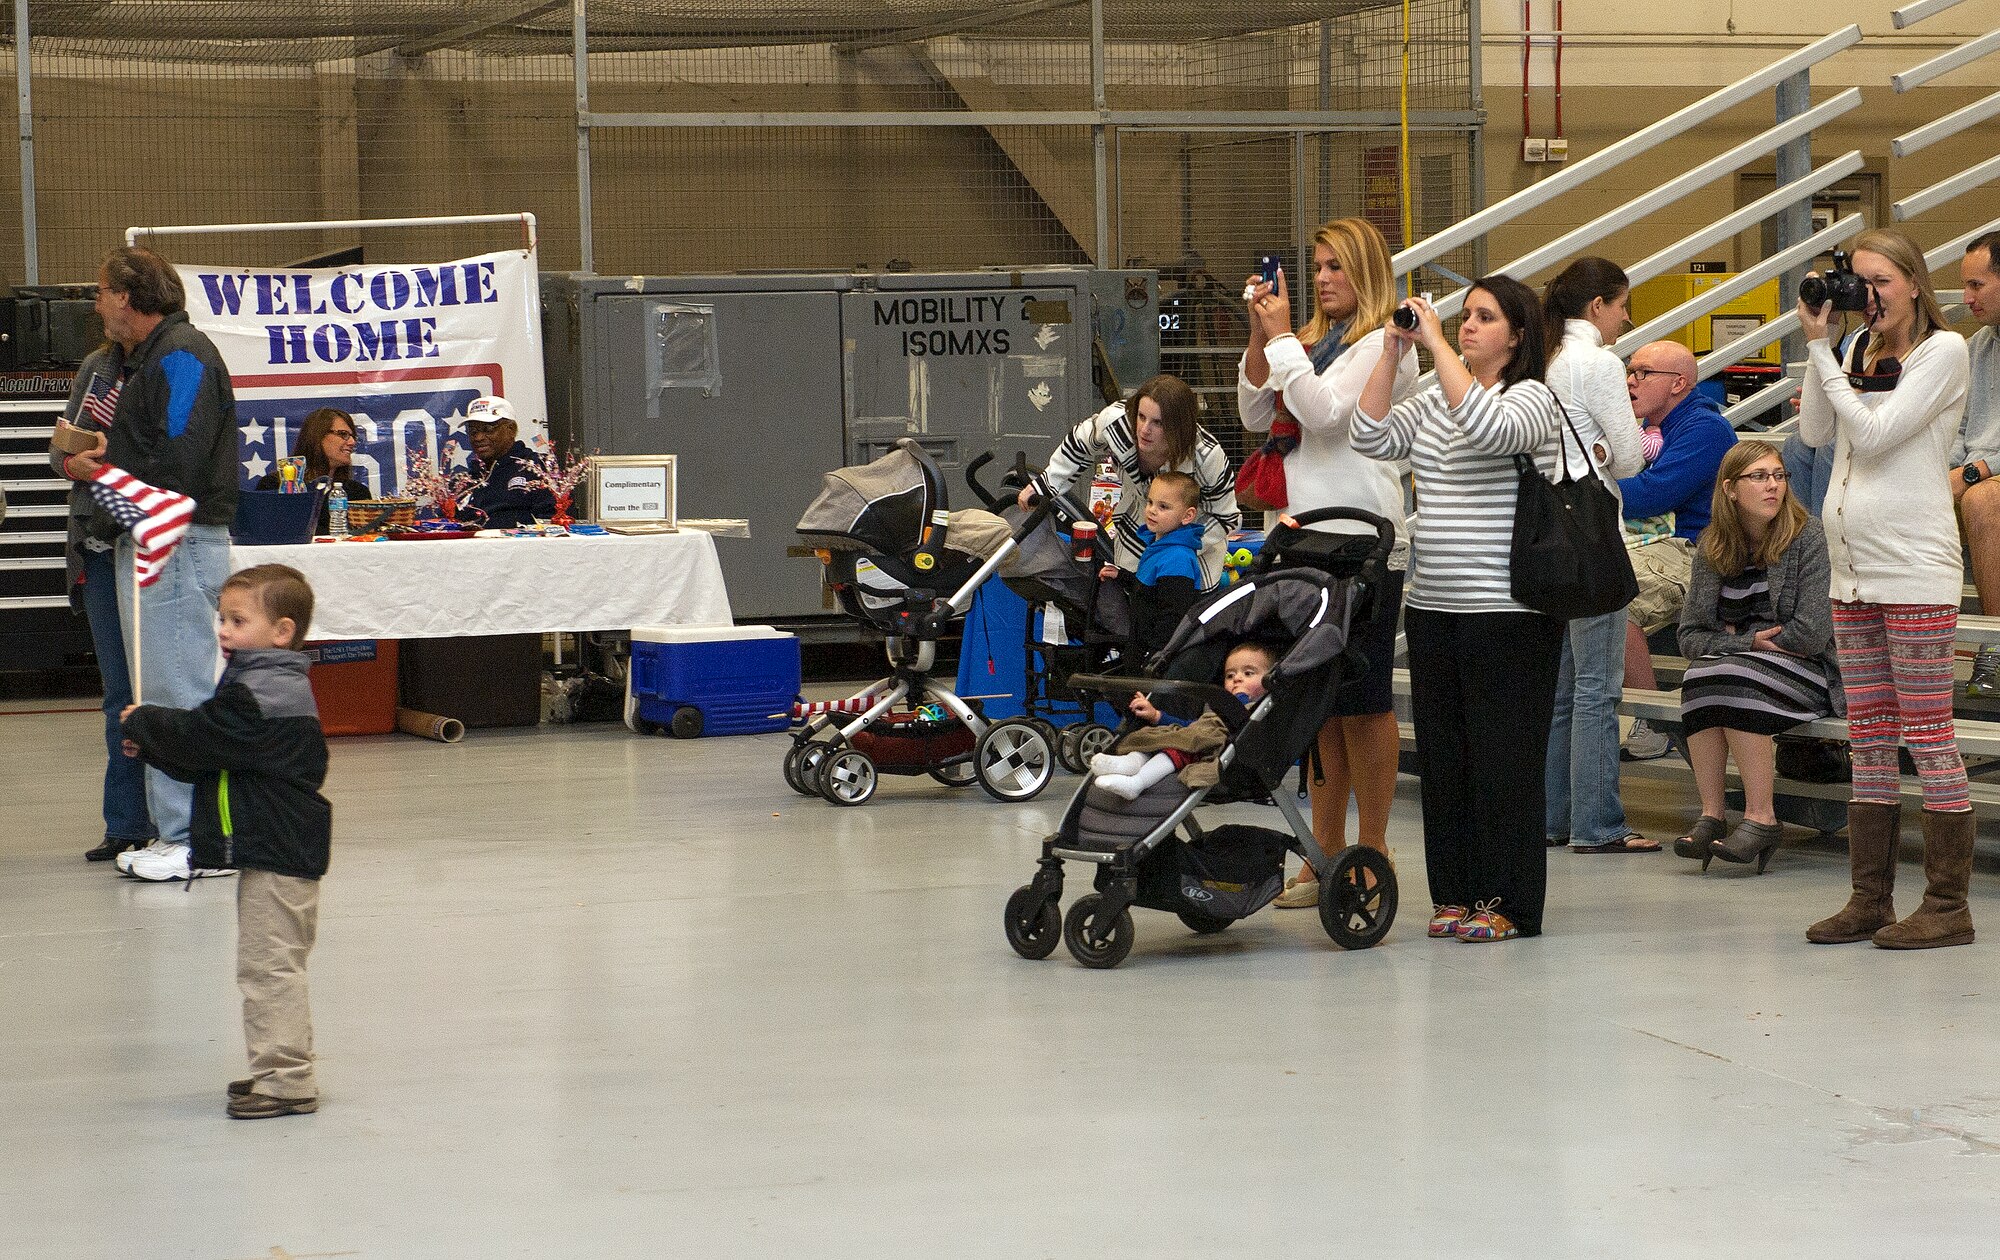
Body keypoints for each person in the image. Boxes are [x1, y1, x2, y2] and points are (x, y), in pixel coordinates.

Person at [1354, 277, 1564, 943]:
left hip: (1509, 611)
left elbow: (1489, 427)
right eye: (1463, 317)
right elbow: (1369, 436)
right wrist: (1392, 353)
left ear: (1519, 334)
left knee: (1505, 761)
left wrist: (1438, 343)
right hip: (1434, 605)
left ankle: (1510, 904)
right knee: (1446, 759)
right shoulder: (1432, 398)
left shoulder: (1531, 399)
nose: (1468, 326)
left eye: (1484, 318)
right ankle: (1456, 893)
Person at [1798, 227, 1974, 951]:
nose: (1865, 296)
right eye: (1856, 282)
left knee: (1928, 738)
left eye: (1879, 282)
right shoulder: (1851, 350)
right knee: (1869, 740)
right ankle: (1870, 897)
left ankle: (1947, 905)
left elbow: (1874, 437)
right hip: (1853, 570)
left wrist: (1825, 356)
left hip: (1916, 567)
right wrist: (1825, 344)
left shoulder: (1944, 352)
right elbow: (1815, 430)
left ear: (1914, 284)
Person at [1237, 217, 1417, 908]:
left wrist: (1283, 339)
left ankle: (1372, 849)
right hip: (1303, 537)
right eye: (1315, 266)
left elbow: (1326, 417)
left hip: (1364, 543)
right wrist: (1264, 332)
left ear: (1366, 271)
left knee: (1364, 704)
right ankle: (1323, 853)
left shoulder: (1387, 343)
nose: (1321, 278)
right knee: (1317, 705)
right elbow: (1258, 411)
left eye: (1336, 266)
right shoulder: (1309, 338)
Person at [120, 564, 332, 1118]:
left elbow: (203, 736)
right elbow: (218, 759)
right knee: (268, 962)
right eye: (221, 618)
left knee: (270, 966)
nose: (223, 629)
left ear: (282, 632)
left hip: (281, 849)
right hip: (277, 844)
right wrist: (155, 748)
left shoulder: (260, 690)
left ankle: (287, 1080)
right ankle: (278, 1067)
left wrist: (146, 722)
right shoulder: (254, 681)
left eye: (237, 620)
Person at [84, 246, 239, 883]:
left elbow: (180, 460)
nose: (96, 305)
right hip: (152, 538)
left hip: (173, 539)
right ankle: (178, 832)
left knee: (179, 691)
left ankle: (196, 841)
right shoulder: (149, 361)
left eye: (100, 292)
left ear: (127, 298)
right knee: (158, 691)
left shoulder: (181, 356)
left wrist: (106, 472)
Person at [1673, 441, 1841, 872]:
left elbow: (1810, 633)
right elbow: (1690, 636)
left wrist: (1731, 638)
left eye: (1779, 475)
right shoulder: (1714, 544)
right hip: (1749, 664)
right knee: (1698, 679)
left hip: (1813, 670)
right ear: (1730, 489)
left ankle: (1762, 818)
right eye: (1760, 477)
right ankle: (1712, 814)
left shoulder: (1809, 536)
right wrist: (1749, 641)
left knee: (1730, 677)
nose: (1773, 486)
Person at [1538, 257, 1655, 853]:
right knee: (1596, 689)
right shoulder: (1598, 362)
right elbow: (1631, 459)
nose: (1625, 318)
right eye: (1622, 305)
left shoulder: (1544, 356)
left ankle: (1556, 818)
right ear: (1596, 307)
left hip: (1546, 534)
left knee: (1560, 690)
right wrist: (1612, 448)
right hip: (1593, 535)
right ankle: (1598, 823)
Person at [49, 341, 156, 863]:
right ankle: (126, 822)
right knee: (119, 692)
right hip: (95, 547)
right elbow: (58, 452)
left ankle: (173, 820)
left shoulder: (170, 366)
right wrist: (79, 465)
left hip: (148, 548)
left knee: (159, 688)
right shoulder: (95, 368)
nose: (97, 303)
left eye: (104, 293)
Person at [1615, 340, 1738, 760]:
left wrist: (1587, 488)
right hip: (1655, 543)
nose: (1631, 380)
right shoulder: (1650, 428)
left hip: (1694, 551)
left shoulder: (1705, 429)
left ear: (1679, 384)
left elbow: (1652, 495)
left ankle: (1653, 722)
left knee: (1613, 595)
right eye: (1629, 371)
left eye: (1643, 373)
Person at [1028, 374, 1241, 590]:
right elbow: (1079, 443)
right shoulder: (1117, 421)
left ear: (1178, 426)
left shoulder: (1206, 455)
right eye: (1141, 416)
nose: (1144, 429)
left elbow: (1227, 518)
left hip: (1192, 548)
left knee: (1181, 616)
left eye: (1158, 423)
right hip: (1137, 528)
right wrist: (1042, 486)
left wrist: (1175, 545)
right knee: (1130, 604)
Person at [1088, 641, 1275, 799]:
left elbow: (1209, 732)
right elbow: (1193, 727)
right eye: (1230, 675)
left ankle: (1137, 782)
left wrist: (1235, 700)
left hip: (1216, 750)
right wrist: (1156, 716)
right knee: (1155, 737)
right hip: (1197, 736)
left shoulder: (1257, 710)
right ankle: (1130, 763)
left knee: (1176, 749)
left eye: (1248, 673)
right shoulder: (1216, 706)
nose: (1237, 680)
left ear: (1268, 681)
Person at [1949, 231, 2000, 696]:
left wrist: (1972, 472)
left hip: (1990, 481)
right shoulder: (1975, 347)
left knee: (1983, 498)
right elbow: (1957, 430)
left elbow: (1975, 463)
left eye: (1977, 286)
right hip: (1977, 474)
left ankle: (1995, 649)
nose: (1966, 298)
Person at [1115, 470, 1206, 657]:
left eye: (1163, 506)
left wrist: (1155, 657)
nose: (1152, 510)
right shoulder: (1159, 548)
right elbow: (1151, 594)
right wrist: (1122, 576)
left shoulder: (1177, 558)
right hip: (1141, 648)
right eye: (1150, 502)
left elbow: (1173, 615)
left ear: (1187, 516)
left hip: (1153, 658)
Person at [255, 407, 370, 535]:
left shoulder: (357, 494)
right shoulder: (274, 485)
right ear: (318, 436)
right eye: (343, 434)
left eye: (353, 436)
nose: (352, 442)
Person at [464, 395, 555, 528]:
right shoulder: (466, 479)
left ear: (511, 429)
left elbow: (553, 524)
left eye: (488, 429)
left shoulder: (537, 468)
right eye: (473, 431)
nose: (478, 437)